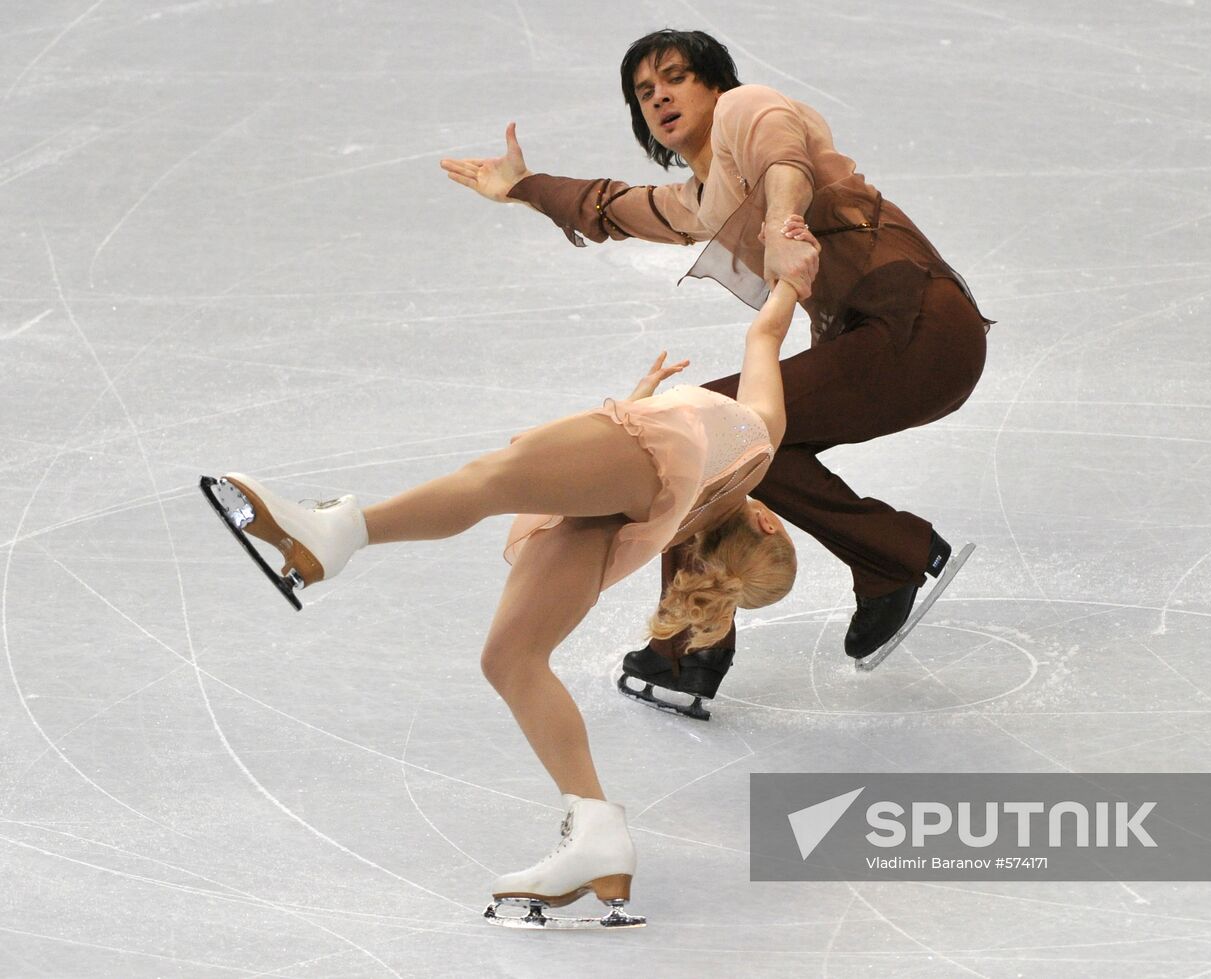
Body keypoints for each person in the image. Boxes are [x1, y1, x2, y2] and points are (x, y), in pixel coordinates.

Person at [199, 235, 814, 928]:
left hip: (647, 456)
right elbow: (643, 483)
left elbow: (764, 334)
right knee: (513, 659)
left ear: (767, 526)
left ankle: (333, 535)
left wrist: (793, 278)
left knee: (491, 478)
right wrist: (640, 410)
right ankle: (596, 833)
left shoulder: (761, 442)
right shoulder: (679, 528)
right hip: (626, 513)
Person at [439, 29, 993, 718]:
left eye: (675, 77)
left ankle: (690, 645)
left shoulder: (746, 109)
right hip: (898, 343)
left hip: (916, 325)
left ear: (715, 85)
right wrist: (522, 186)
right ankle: (887, 556)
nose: (659, 97)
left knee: (703, 429)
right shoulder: (707, 198)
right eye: (645, 91)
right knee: (754, 445)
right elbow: (616, 207)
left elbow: (783, 157)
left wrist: (783, 224)